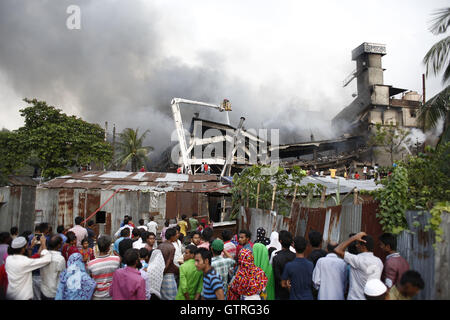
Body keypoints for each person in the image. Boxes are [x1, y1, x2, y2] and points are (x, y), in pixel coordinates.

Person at [334, 232, 384, 300]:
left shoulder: (358, 259)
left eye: (358, 243)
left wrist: (354, 237)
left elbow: (337, 249)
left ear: (364, 247)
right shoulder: (379, 261)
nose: (356, 246)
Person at [5, 236, 51, 300]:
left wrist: (31, 246)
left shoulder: (8, 259)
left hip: (11, 294)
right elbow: (47, 259)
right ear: (23, 249)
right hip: (23, 297)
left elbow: (28, 260)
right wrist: (43, 244)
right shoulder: (25, 262)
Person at [87, 235, 120, 300]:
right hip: (112, 295)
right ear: (108, 248)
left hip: (97, 296)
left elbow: (90, 281)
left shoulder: (90, 264)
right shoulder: (116, 260)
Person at [281, 236, 314, 300]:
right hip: (308, 297)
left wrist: (288, 286)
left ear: (293, 246)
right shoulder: (311, 265)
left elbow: (283, 284)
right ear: (306, 247)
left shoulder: (289, 265)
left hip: (294, 297)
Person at [39, 235, 66, 300]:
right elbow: (62, 276)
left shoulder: (43, 255)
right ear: (59, 245)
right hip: (54, 292)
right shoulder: (60, 259)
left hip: (44, 289)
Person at [272, 230, 296, 300]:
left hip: (280, 290)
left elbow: (277, 276)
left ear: (280, 241)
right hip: (292, 289)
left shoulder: (276, 257)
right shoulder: (295, 256)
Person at [158, 228, 179, 300]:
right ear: (172, 236)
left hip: (160, 272)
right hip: (168, 273)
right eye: (175, 235)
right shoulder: (171, 247)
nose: (177, 236)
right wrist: (178, 270)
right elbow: (169, 263)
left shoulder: (160, 245)